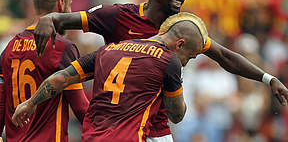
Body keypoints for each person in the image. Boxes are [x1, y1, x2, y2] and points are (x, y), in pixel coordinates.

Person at [32, 0, 288, 141]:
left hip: (157, 127)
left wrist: (267, 78)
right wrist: (48, 20)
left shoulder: (182, 29)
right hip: (118, 126)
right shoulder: (118, 16)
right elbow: (62, 20)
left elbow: (224, 56)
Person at [12, 12, 208, 142]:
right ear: (180, 44)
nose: (185, 62)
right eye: (189, 57)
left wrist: (30, 103)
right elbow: (176, 115)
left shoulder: (109, 49)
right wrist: (176, 81)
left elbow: (61, 78)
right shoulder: (169, 61)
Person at [0, 0, 89, 141]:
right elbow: (81, 108)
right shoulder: (62, 48)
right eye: (69, 5)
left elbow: (1, 101)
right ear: (61, 3)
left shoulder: (9, 48)